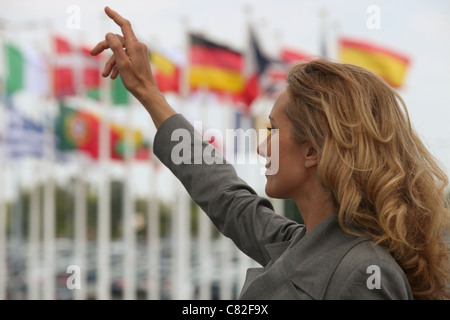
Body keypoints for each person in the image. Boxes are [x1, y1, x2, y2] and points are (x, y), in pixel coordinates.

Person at [91, 7, 450, 300]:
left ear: (312, 150)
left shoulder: (365, 272)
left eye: (273, 131)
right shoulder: (303, 244)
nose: (262, 146)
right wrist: (148, 92)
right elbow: (225, 196)